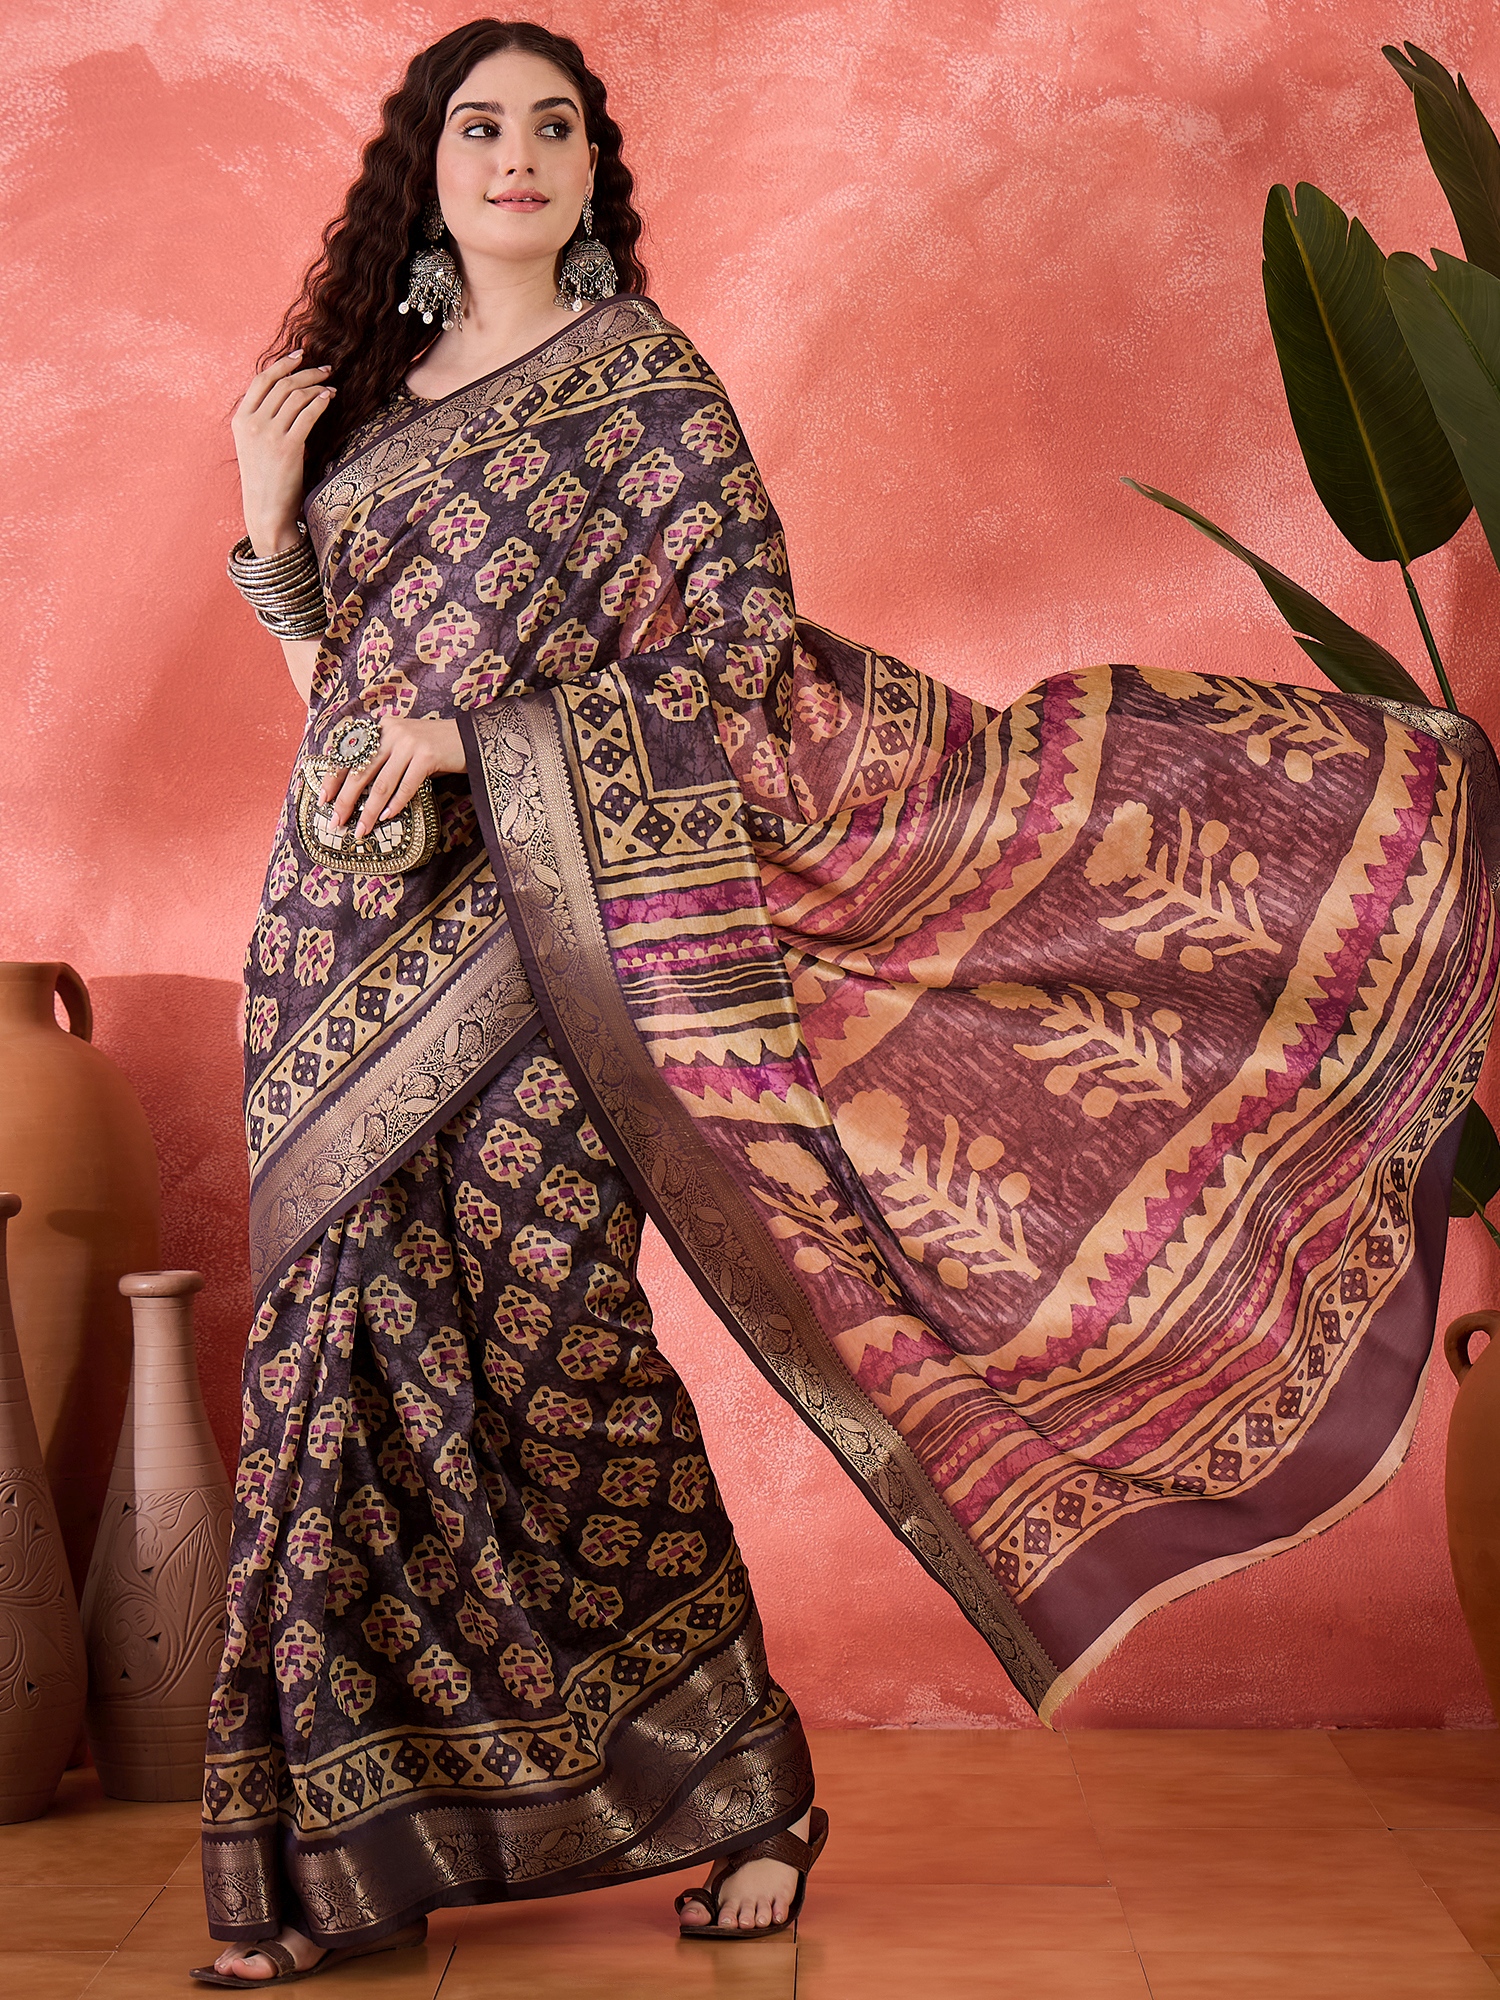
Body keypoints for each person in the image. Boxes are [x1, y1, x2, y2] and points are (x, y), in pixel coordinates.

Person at [197, 15, 1500, 1988]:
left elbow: (739, 680)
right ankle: (332, 1862)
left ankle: (739, 1788)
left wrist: (477, 744)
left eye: (553, 126)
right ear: (424, 164)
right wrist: (270, 521)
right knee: (338, 1360)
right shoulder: (359, 409)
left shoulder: (650, 395)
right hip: (333, 944)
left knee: (554, 1351)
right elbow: (338, 714)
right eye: (478, 127)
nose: (516, 155)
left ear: (592, 169)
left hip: (554, 944)